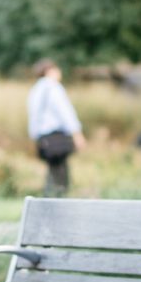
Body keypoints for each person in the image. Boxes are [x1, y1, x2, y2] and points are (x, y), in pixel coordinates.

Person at [27, 59, 86, 196]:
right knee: (61, 173)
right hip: (56, 135)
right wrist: (77, 133)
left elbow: (34, 118)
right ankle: (59, 202)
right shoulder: (53, 88)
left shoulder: (35, 90)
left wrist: (35, 136)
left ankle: (48, 200)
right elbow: (65, 112)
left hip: (43, 138)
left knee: (52, 171)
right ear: (49, 71)